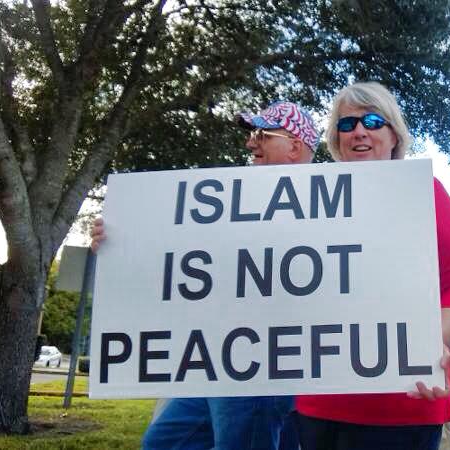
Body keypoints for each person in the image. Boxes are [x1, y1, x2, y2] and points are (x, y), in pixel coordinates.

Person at [92, 100, 318, 450]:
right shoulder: (235, 203)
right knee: (162, 442)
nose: (250, 142)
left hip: (258, 368)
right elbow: (178, 256)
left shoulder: (319, 213)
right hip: (215, 358)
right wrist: (118, 243)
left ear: (294, 147)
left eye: (262, 134)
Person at [294, 81, 450, 450]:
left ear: (394, 134)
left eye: (373, 121)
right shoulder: (306, 202)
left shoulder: (424, 192)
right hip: (322, 404)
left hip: (406, 402)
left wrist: (430, 342)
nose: (359, 131)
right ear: (337, 139)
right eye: (347, 125)